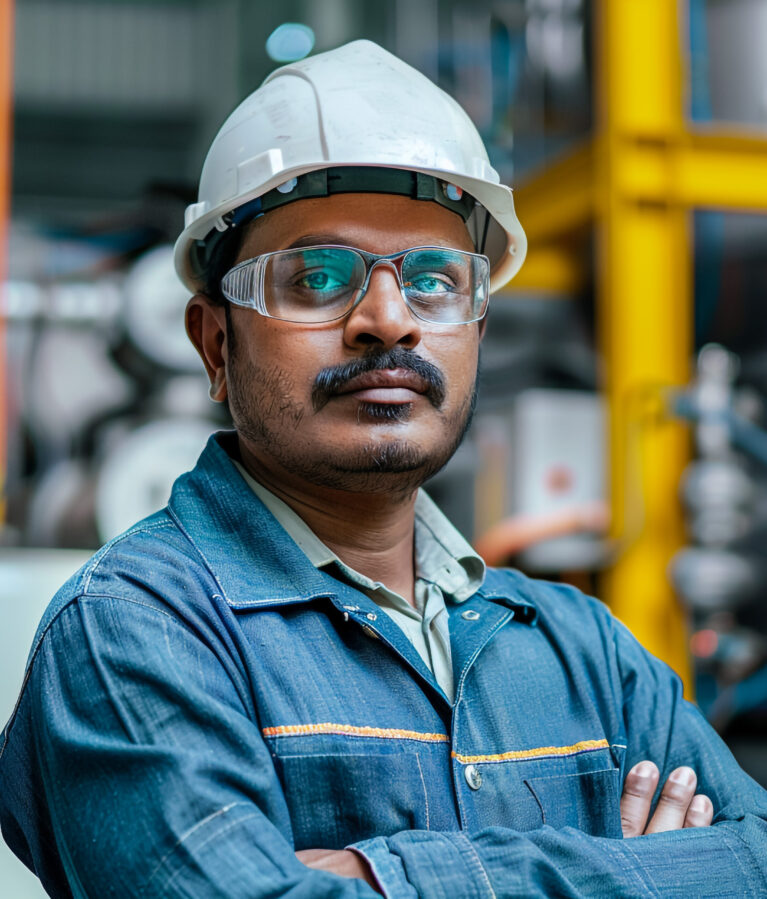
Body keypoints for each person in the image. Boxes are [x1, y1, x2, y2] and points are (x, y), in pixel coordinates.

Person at [1, 39, 766, 898]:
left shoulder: (577, 646)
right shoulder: (135, 632)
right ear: (215, 343)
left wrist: (379, 873)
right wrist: (646, 874)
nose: (387, 320)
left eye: (435, 279)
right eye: (317, 277)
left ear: (476, 329)